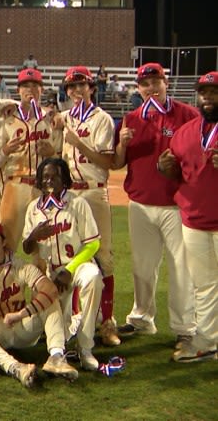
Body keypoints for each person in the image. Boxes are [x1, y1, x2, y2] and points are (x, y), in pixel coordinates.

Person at [111, 62, 197, 347]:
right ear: (138, 88)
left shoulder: (187, 115)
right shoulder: (131, 119)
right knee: (143, 266)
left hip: (176, 205)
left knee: (181, 268)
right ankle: (141, 319)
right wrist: (122, 144)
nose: (151, 88)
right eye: (145, 84)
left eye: (155, 82)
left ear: (165, 82)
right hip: (140, 203)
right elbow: (119, 162)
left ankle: (185, 327)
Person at [0, 218, 78, 388]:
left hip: (21, 326)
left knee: (51, 302)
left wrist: (21, 314)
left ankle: (56, 357)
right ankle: (15, 368)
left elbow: (50, 289)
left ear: (4, 242)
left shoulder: (19, 266)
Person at [57, 66, 120, 347]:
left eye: (81, 85)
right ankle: (78, 319)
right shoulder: (65, 118)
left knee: (103, 256)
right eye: (71, 87)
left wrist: (78, 143)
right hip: (70, 195)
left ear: (91, 88)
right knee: (75, 256)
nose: (76, 91)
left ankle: (108, 322)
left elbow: (107, 163)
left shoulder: (102, 119)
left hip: (94, 194)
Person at [21, 158, 103, 372]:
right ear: (39, 181)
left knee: (94, 278)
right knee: (59, 333)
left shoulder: (78, 204)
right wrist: (32, 237)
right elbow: (27, 249)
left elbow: (93, 244)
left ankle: (86, 348)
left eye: (54, 176)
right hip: (51, 274)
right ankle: (67, 341)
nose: (49, 180)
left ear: (64, 180)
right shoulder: (33, 209)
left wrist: (69, 270)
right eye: (45, 177)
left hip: (77, 265)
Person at [158, 71, 218, 362]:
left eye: (214, 92)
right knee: (204, 284)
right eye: (204, 92)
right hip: (194, 219)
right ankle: (208, 340)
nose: (208, 98)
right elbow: (177, 172)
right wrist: (165, 167)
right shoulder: (186, 132)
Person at [0, 67, 56, 253]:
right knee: (6, 246)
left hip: (45, 188)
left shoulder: (50, 119)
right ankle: (6, 283)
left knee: (45, 249)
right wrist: (4, 151)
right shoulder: (7, 119)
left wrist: (52, 153)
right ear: (18, 90)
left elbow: (63, 159)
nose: (30, 89)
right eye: (25, 85)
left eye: (35, 85)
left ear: (41, 89)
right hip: (15, 187)